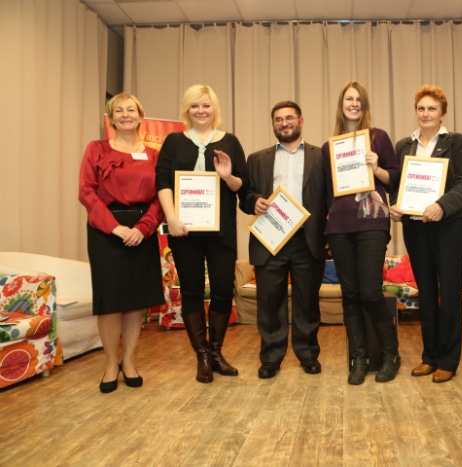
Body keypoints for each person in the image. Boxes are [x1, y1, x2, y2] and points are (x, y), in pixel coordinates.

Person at [156, 84, 248, 383]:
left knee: (222, 290)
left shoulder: (230, 142)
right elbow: (163, 182)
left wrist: (228, 176)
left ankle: (217, 352)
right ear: (187, 109)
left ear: (214, 108)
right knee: (192, 291)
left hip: (222, 231)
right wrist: (171, 218)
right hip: (184, 231)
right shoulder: (173, 142)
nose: (200, 111)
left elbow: (241, 186)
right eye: (195, 105)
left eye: (206, 105)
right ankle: (202, 356)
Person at [79, 93, 164, 393]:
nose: (125, 114)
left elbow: (162, 196)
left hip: (143, 232)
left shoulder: (154, 155)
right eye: (119, 110)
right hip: (105, 231)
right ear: (111, 118)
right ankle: (110, 364)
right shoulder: (96, 149)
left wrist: (143, 228)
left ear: (140, 117)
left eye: (131, 109)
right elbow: (86, 192)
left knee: (135, 301)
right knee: (110, 303)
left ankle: (129, 361)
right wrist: (114, 227)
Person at [390, 84, 462, 383]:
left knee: (449, 295)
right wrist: (395, 205)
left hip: (447, 228)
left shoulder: (457, 142)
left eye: (432, 108)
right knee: (425, 294)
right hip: (415, 229)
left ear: (443, 113)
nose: (426, 113)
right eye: (421, 108)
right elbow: (396, 186)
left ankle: (448, 360)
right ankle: (430, 357)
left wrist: (441, 206)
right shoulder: (403, 146)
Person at [240, 101, 327, 379]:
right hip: (270, 238)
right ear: (273, 124)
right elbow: (245, 195)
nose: (284, 123)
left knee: (307, 301)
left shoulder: (321, 156)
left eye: (289, 118)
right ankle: (271, 357)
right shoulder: (257, 159)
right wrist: (254, 201)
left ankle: (308, 353)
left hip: (307, 239)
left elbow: (330, 197)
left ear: (301, 121)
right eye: (278, 119)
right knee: (269, 302)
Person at [322, 81, 401, 385]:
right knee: (351, 294)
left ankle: (391, 355)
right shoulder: (330, 147)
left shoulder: (378, 138)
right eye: (348, 99)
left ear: (364, 105)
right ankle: (358, 359)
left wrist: (376, 167)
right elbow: (327, 193)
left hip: (372, 223)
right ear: (341, 104)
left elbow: (394, 178)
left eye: (358, 99)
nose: (353, 103)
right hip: (340, 227)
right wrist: (326, 231)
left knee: (370, 292)